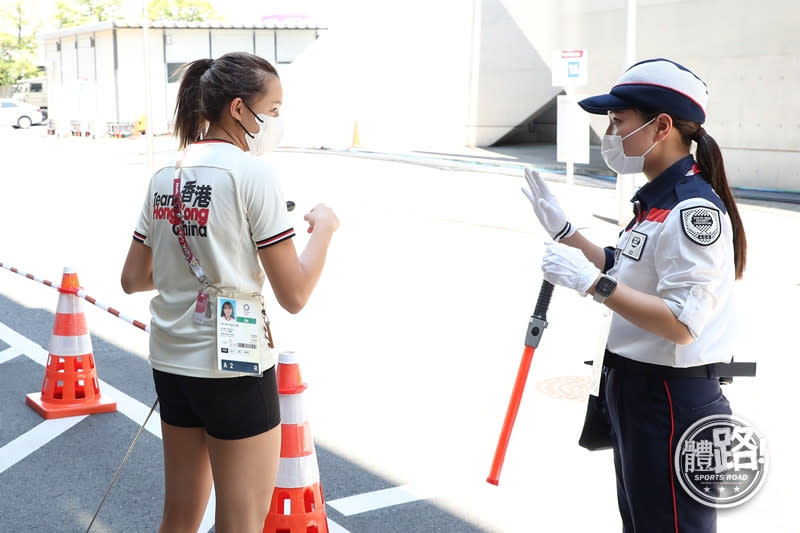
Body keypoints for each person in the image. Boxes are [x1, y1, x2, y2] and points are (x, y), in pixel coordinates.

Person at [522, 58, 747, 532]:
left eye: (618, 122)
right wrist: (569, 235)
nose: (610, 133)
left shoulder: (692, 211)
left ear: (661, 126)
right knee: (646, 522)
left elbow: (682, 324)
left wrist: (591, 284)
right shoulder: (657, 201)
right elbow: (626, 266)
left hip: (670, 398)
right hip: (639, 390)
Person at [120, 51, 339, 533]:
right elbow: (295, 294)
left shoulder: (165, 176)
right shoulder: (252, 174)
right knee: (240, 521)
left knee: (178, 516)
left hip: (172, 365)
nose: (277, 122)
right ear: (239, 108)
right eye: (274, 110)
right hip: (235, 370)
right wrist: (323, 228)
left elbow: (133, 278)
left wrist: (197, 272)